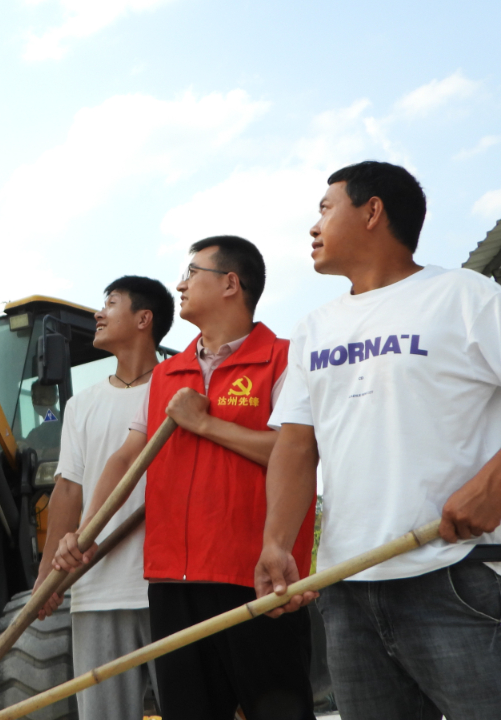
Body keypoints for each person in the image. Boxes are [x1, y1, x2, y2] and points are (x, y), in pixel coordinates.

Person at [255, 160, 501, 720]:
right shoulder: (315, 327)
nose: (313, 227)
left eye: (325, 209)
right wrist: (277, 542)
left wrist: (494, 483)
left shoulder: (465, 296)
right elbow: (296, 445)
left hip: (456, 575)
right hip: (346, 590)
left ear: (372, 211)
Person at [55, 236, 316, 720]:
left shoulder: (282, 360)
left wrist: (206, 425)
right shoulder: (167, 375)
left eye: (192, 272)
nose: (180, 283)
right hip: (173, 584)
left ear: (230, 284)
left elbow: (297, 453)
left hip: (257, 580)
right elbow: (126, 459)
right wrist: (88, 531)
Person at [33, 275, 173, 719]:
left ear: (143, 319)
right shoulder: (82, 405)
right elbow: (69, 489)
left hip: (166, 587)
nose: (99, 312)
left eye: (110, 303)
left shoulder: (176, 389)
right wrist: (46, 574)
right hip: (95, 590)